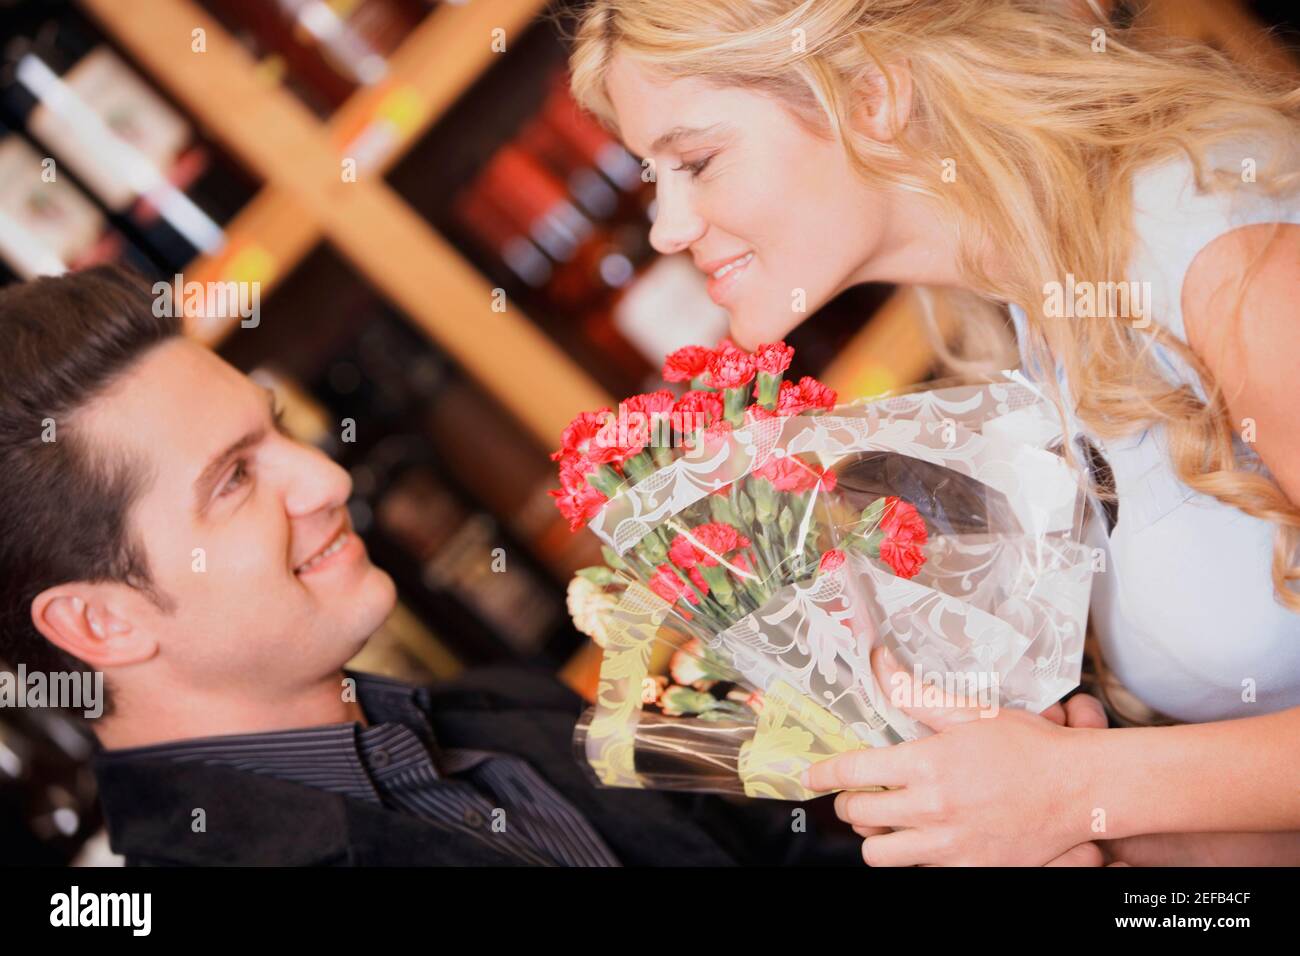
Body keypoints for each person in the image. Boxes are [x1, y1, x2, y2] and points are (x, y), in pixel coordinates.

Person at [565, 0, 1300, 865]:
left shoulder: (1214, 251)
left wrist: (1081, 787)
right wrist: (1079, 828)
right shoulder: (1041, 321)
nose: (667, 226)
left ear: (871, 98)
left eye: (696, 160)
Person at [0, 265, 859, 866]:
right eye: (233, 481)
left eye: (275, 431)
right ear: (100, 623)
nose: (328, 478)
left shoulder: (493, 705)